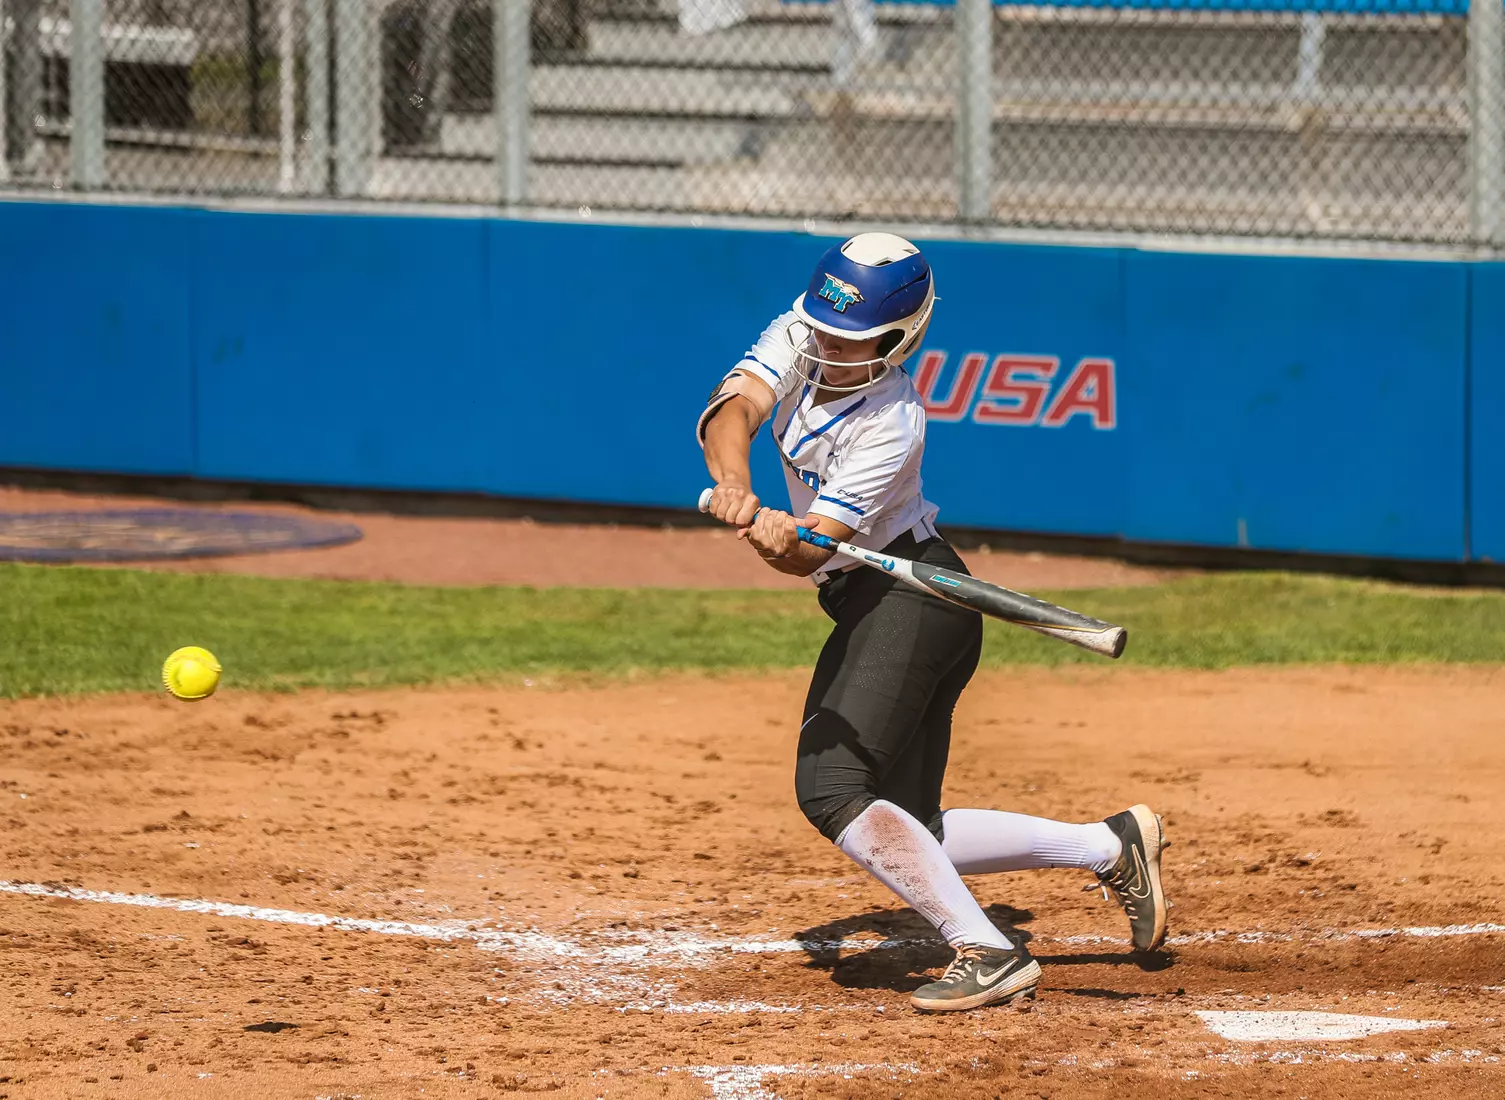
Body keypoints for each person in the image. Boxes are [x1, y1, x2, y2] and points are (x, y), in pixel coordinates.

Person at [696, 232, 1170, 1012]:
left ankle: (986, 950)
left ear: (898, 339)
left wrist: (777, 537)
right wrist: (737, 488)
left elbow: (807, 555)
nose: (827, 347)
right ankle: (1106, 844)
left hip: (913, 600)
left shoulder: (892, 421)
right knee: (911, 825)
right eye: (822, 330)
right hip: (878, 600)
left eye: (851, 342)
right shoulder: (802, 329)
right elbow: (732, 409)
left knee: (831, 786)